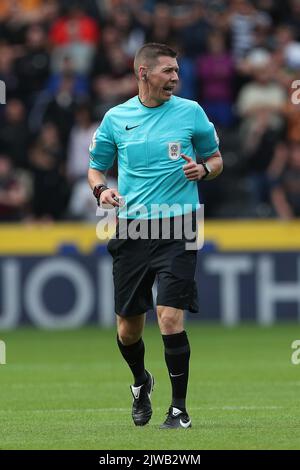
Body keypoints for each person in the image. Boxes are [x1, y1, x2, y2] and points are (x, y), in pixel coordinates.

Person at [88, 43, 223, 429]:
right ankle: (140, 382)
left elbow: (216, 159)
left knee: (168, 317)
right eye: (167, 71)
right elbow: (95, 169)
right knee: (128, 329)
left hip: (178, 225)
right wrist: (102, 192)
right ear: (143, 73)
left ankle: (178, 410)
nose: (176, 78)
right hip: (131, 229)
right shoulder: (116, 118)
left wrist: (205, 170)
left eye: (177, 71)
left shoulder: (191, 112)